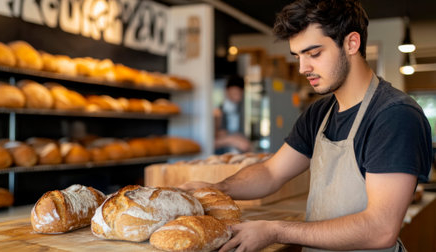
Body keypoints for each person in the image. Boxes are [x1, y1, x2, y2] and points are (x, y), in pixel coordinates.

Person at [180, 0, 433, 251]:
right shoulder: (320, 113)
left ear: (351, 43)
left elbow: (380, 229)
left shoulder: (394, 115)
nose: (303, 68)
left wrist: (275, 230)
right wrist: (216, 189)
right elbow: (271, 173)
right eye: (298, 56)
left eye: (314, 54)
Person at [214, 75, 252, 154]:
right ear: (226, 91)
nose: (237, 97)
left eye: (239, 94)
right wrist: (232, 140)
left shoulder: (242, 112)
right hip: (222, 155)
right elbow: (212, 142)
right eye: (234, 93)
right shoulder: (218, 112)